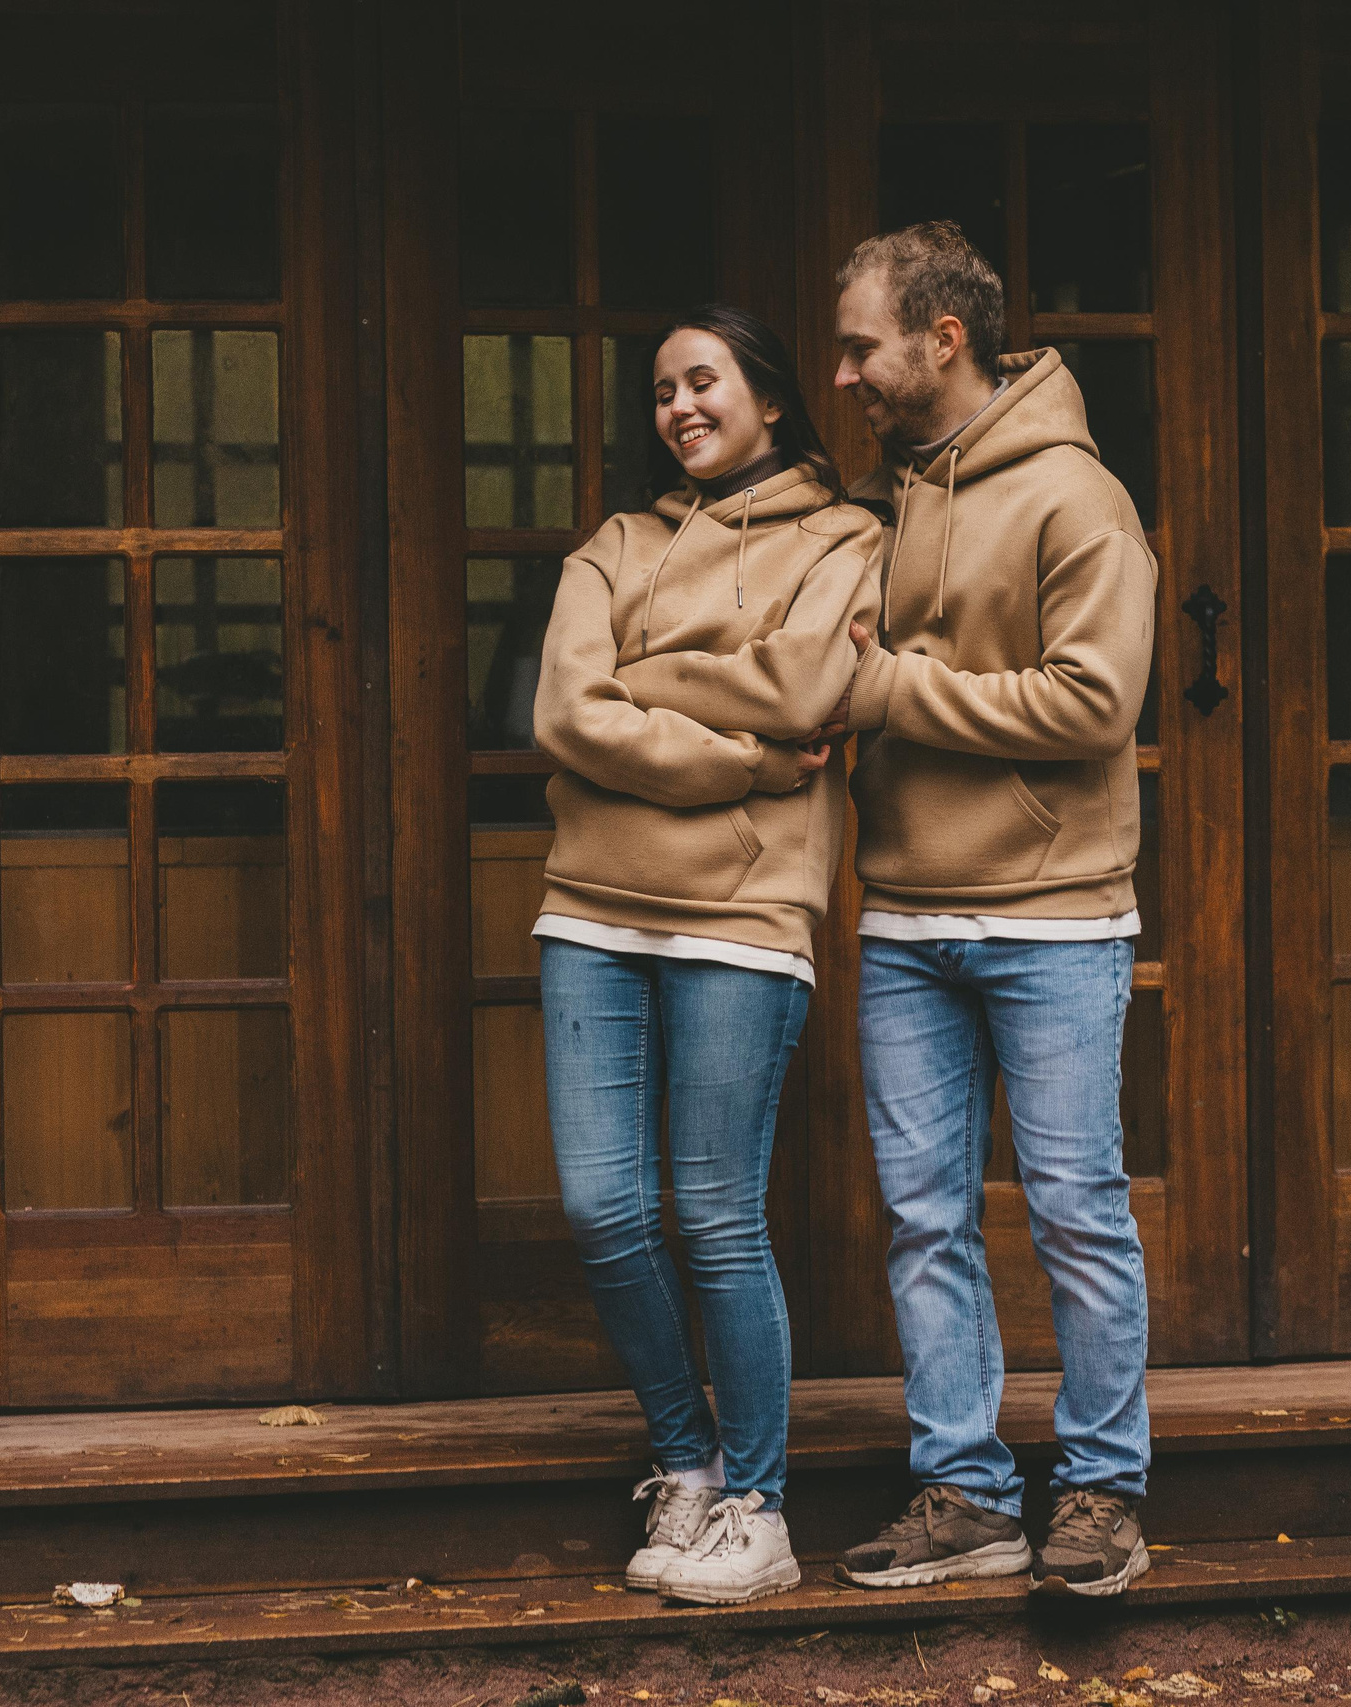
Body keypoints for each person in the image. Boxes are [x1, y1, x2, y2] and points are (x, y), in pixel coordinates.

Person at [531, 304, 881, 1606]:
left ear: (772, 399)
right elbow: (570, 709)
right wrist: (737, 758)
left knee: (716, 1216)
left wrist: (651, 682)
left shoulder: (846, 538)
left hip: (743, 918)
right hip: (591, 911)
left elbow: (808, 691)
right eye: (663, 389)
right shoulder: (615, 544)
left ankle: (759, 1507)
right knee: (604, 1212)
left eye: (705, 381)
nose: (680, 405)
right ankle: (685, 1465)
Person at [829, 220, 1158, 1597]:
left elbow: (1096, 706)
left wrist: (889, 689)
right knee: (923, 1219)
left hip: (1056, 917)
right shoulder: (895, 496)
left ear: (940, 338)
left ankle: (1102, 1493)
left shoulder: (1078, 499)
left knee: (1077, 1210)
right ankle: (964, 1494)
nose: (843, 373)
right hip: (906, 914)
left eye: (861, 344)